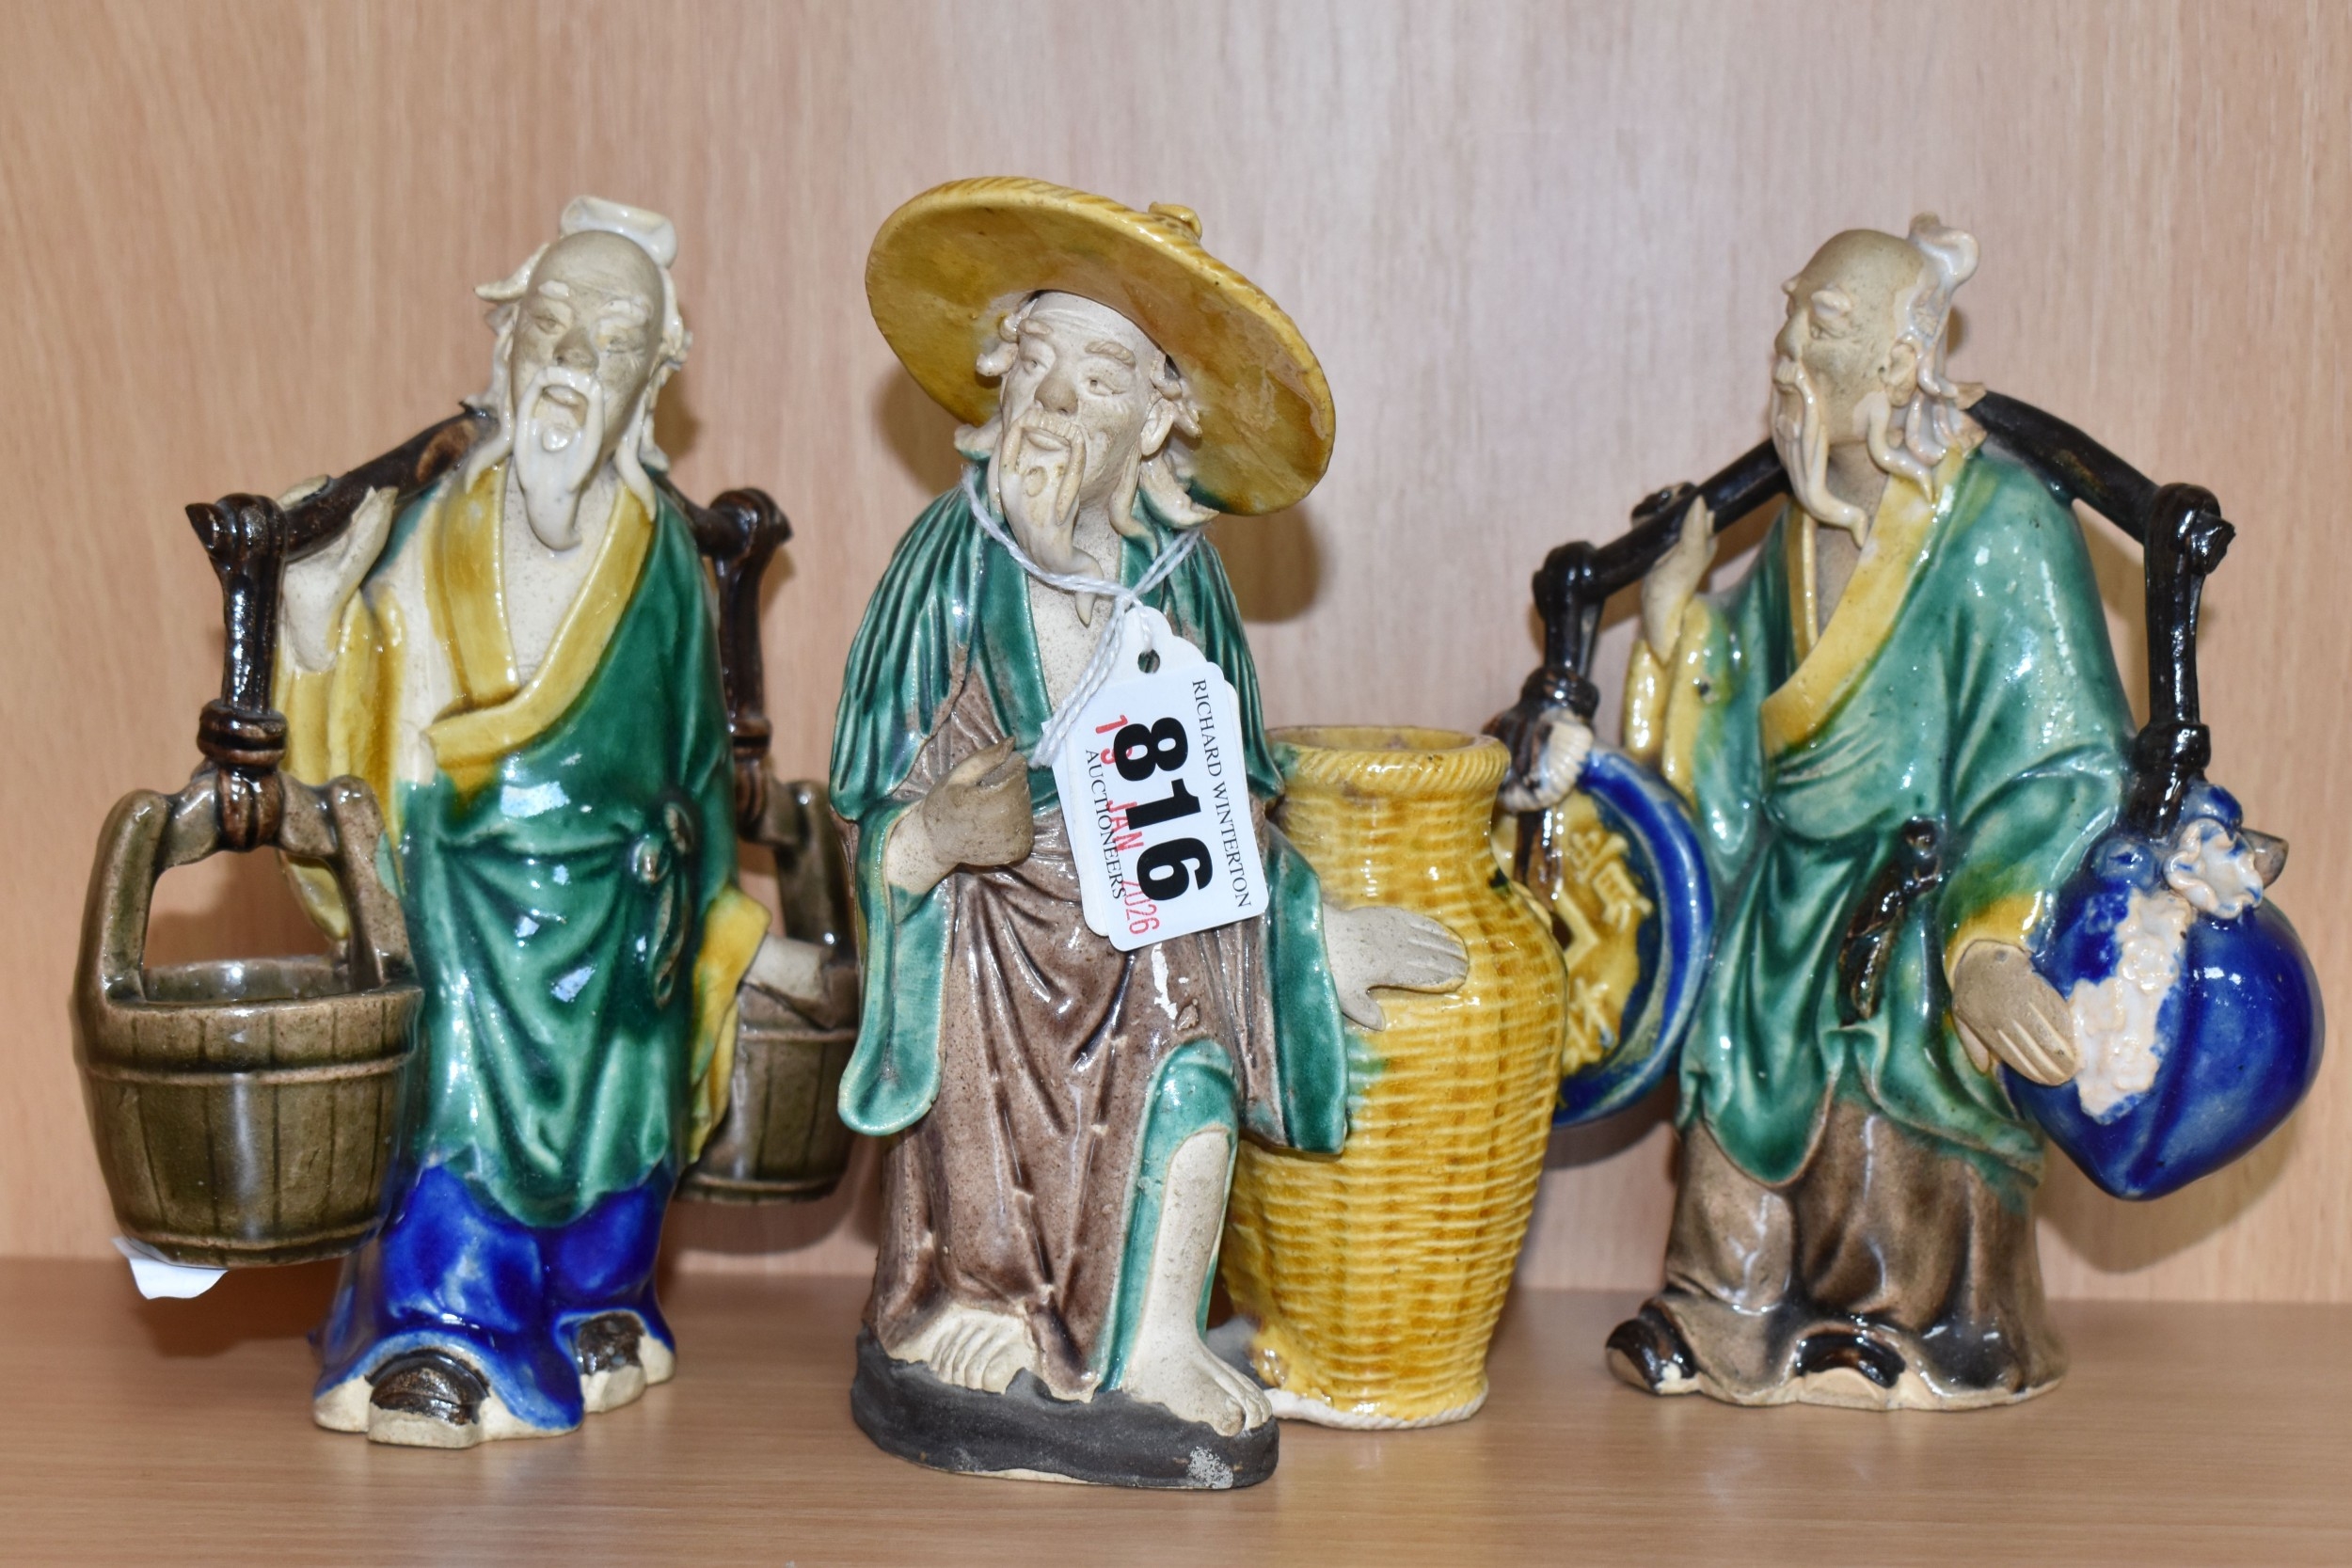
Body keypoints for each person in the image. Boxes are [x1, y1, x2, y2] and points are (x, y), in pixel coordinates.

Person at [834, 179, 1465, 1482]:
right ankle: (975, 1291)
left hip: (1149, 915)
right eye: (1040, 361)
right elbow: (869, 805)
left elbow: (1227, 812)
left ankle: (1158, 1332)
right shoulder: (941, 567)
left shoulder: (1182, 587)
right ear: (997, 375)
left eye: (1105, 376)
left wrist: (1315, 929)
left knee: (1191, 1019)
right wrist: (934, 837)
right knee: (986, 1017)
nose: (1061, 401)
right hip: (988, 944)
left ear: (1162, 419)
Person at [1524, 217, 2133, 1409]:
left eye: (1825, 324)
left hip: (1921, 902)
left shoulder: (2003, 528)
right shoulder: (1800, 529)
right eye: (1792, 313)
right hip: (1787, 887)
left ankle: (1912, 1316)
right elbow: (1745, 719)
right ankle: (1727, 1303)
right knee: (1735, 1057)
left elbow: (2062, 763)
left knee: (1885, 1051)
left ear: (1902, 363)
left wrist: (1988, 943)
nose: (1788, 346)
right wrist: (1677, 631)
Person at [278, 197, 837, 1446]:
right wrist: (316, 619)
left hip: (629, 924)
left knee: (630, 1108)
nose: (577, 359)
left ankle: (597, 1297)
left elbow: (695, 775)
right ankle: (445, 1327)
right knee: (459, 1083)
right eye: (554, 324)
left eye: (616, 339)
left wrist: (716, 917)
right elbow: (362, 735)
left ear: (651, 382)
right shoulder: (426, 534)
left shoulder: (666, 563)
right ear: (507, 340)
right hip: (465, 905)